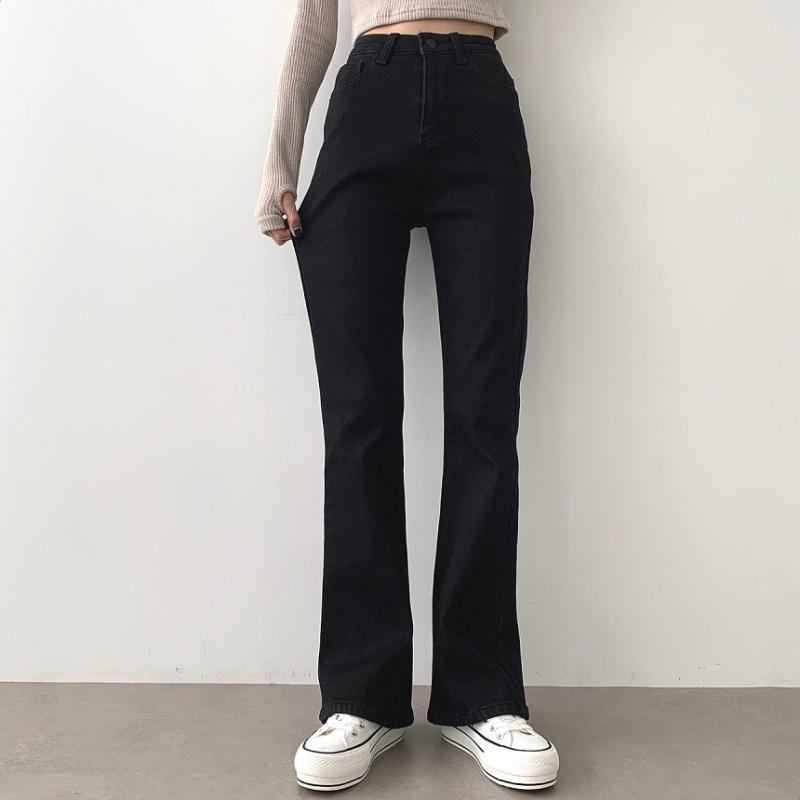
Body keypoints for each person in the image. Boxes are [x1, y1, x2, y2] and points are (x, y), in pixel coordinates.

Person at [254, 0, 559, 791]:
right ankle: (363, 697)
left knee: (485, 416)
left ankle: (481, 696)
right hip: (368, 98)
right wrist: (280, 163)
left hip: (481, 101)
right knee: (357, 420)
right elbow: (315, 22)